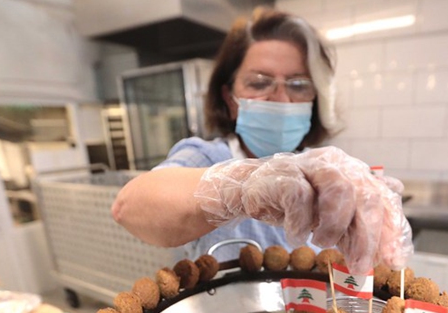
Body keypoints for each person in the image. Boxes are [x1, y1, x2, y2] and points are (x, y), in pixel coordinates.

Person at [112, 7, 412, 273]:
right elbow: (130, 207)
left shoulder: (325, 172)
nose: (281, 98)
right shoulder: (207, 157)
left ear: (315, 100)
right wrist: (243, 187)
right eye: (259, 82)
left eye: (298, 85)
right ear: (230, 99)